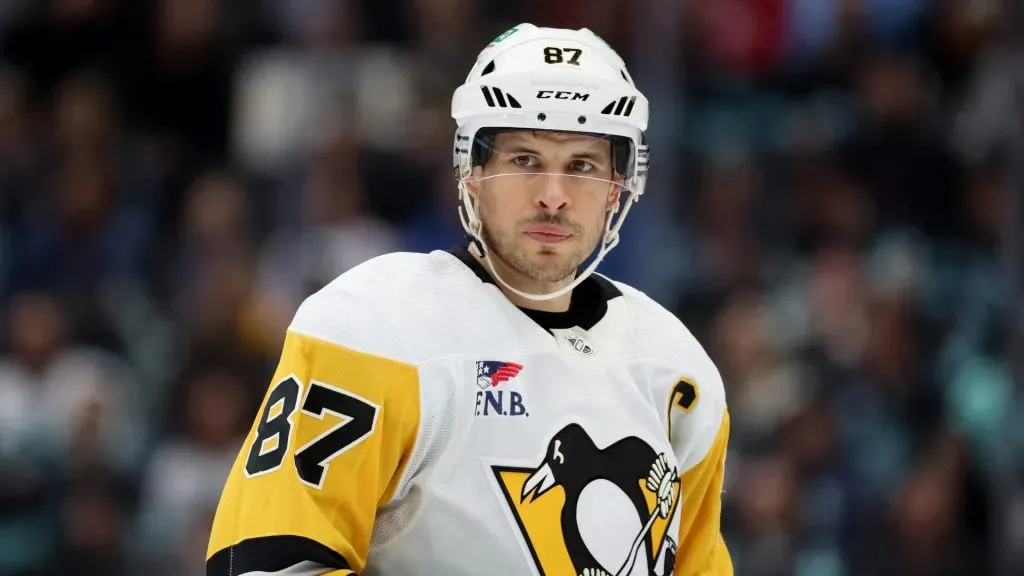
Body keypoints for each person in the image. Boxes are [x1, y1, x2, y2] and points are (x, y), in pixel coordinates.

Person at [206, 23, 732, 576]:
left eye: (582, 165)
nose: (553, 196)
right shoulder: (375, 326)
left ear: (619, 187)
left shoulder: (677, 372)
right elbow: (266, 565)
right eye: (525, 159)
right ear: (472, 173)